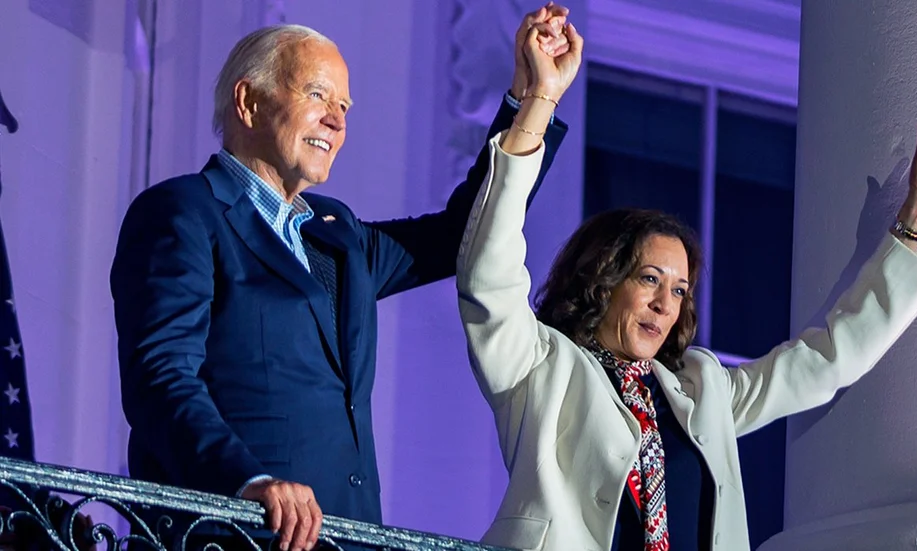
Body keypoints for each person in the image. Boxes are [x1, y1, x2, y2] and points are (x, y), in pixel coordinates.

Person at [110, 6, 572, 551]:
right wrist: (248, 481)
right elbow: (161, 379)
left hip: (348, 538)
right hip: (234, 533)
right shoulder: (184, 213)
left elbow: (461, 235)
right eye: (317, 95)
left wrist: (532, 99)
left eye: (344, 106)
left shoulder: (337, 235)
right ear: (249, 101)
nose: (337, 119)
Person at [457, 83, 917, 550]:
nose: (665, 304)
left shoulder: (701, 389)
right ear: (602, 279)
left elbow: (825, 362)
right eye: (649, 279)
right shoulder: (540, 368)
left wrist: (913, 223)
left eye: (679, 290)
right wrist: (539, 101)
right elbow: (489, 273)